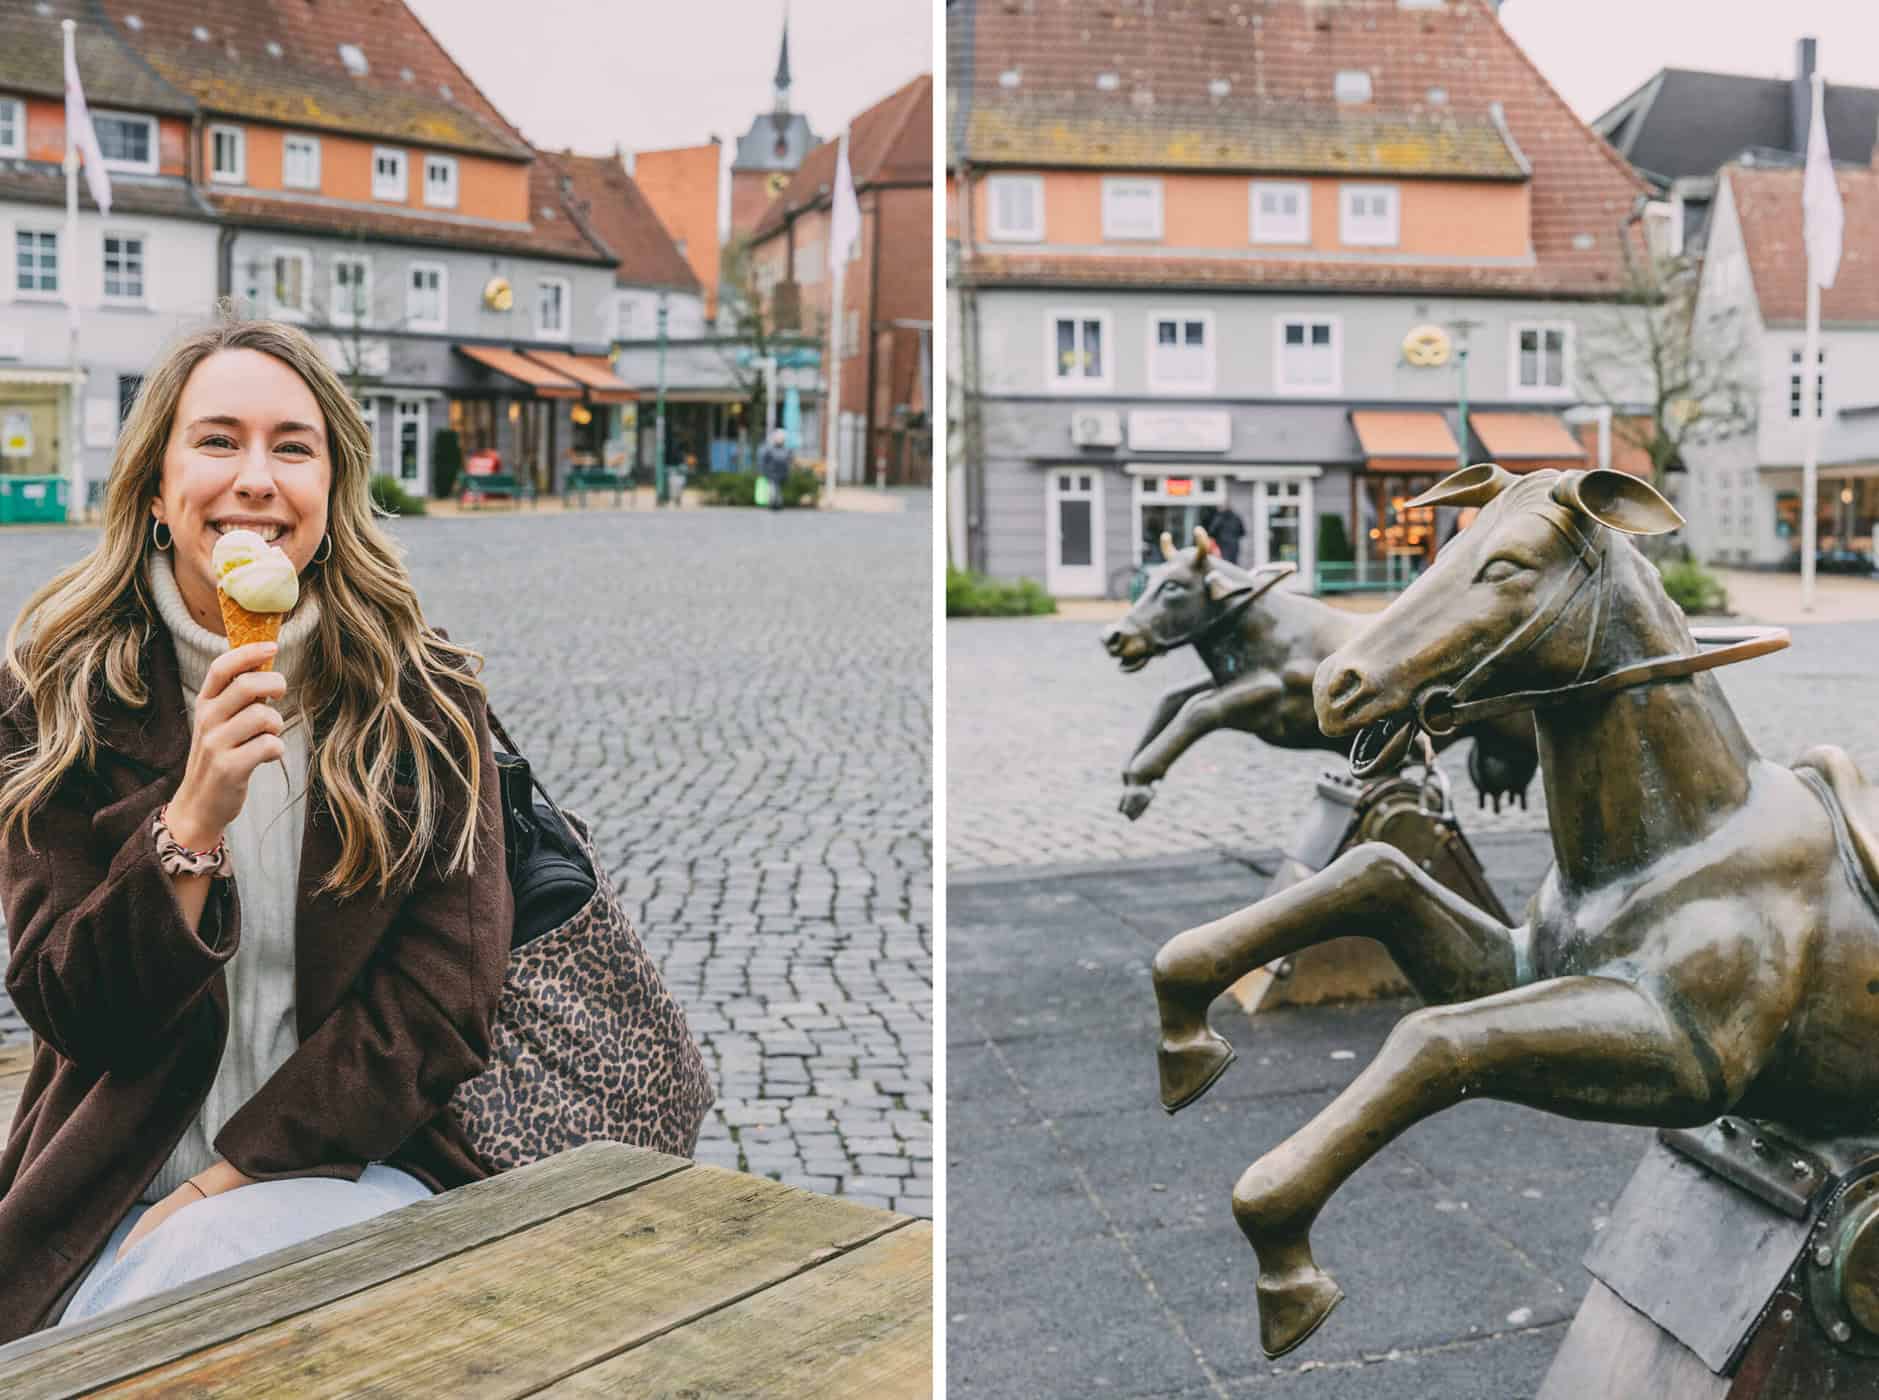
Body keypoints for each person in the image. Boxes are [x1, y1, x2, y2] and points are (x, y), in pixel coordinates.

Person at [0, 317, 512, 1339]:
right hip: (109, 1183)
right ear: (154, 486)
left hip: (351, 1168)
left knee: (177, 1286)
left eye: (292, 445)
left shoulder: (425, 699)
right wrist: (189, 822)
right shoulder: (53, 696)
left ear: (332, 488)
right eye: (218, 439)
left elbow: (442, 1006)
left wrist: (227, 1180)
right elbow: (71, 1006)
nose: (255, 477)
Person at [758, 428, 792, 512]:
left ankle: (777, 503)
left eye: (782, 438)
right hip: (771, 473)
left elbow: (788, 462)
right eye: (779, 438)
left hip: (781, 474)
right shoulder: (769, 449)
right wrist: (763, 471)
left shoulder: (786, 450)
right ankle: (774, 503)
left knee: (778, 489)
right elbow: (763, 461)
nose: (780, 440)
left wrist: (787, 473)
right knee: (773, 488)